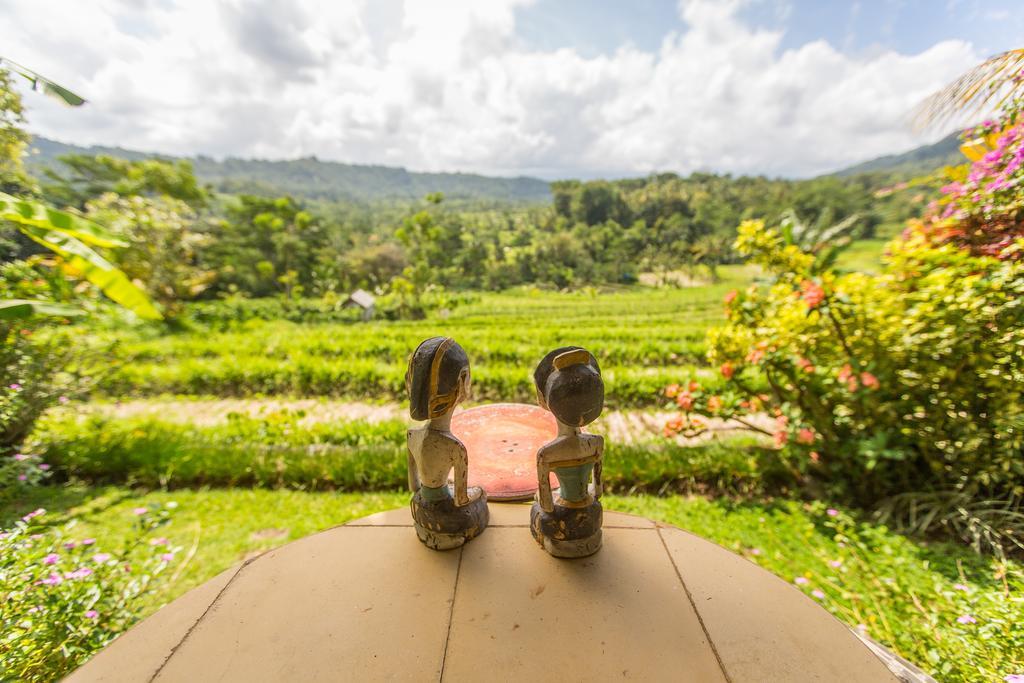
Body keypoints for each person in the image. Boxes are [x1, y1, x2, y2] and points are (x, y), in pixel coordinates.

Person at [405, 336, 488, 550]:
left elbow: (414, 487)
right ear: (461, 382)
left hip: (419, 509)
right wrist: (477, 492)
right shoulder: (454, 447)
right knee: (480, 498)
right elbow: (461, 500)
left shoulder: (412, 436)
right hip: (446, 517)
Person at [530, 346, 605, 558]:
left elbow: (546, 504)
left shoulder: (547, 454)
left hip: (561, 521)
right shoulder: (596, 443)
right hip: (591, 515)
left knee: (538, 512)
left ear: (547, 401)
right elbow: (597, 491)